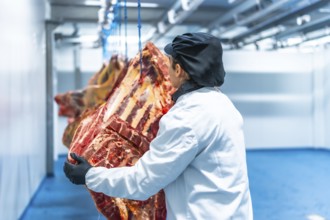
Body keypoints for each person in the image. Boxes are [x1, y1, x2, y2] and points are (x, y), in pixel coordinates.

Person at [64, 32, 253, 219]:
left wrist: (89, 175)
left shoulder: (187, 117)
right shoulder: (224, 105)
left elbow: (144, 181)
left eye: (169, 63)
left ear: (179, 70)